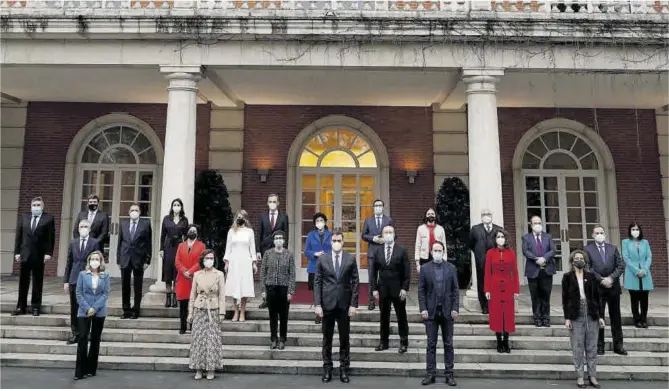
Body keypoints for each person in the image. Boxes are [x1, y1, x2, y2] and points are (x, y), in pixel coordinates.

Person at [314, 229, 359, 384]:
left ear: (343, 241)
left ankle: (344, 369)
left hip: (344, 305)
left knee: (344, 338)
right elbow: (318, 282)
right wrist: (317, 304)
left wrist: (354, 304)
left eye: (339, 240)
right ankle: (327, 368)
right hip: (327, 304)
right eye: (334, 241)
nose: (336, 243)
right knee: (327, 338)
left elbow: (356, 282)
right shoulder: (323, 260)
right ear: (330, 242)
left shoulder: (350, 259)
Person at [562, 250, 605, 389]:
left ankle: (592, 376)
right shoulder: (567, 277)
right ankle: (580, 376)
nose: (579, 260)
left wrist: (600, 316)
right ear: (572, 261)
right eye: (577, 258)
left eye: (581, 258)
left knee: (592, 346)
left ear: (585, 261)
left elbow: (598, 297)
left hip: (591, 311)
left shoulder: (591, 276)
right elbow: (565, 299)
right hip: (576, 312)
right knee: (578, 346)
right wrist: (567, 318)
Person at [418, 241, 459, 386]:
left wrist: (455, 308)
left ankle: (449, 374)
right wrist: (423, 308)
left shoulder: (451, 268)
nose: (437, 252)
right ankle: (430, 374)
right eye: (435, 250)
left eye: (439, 250)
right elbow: (421, 291)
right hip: (431, 312)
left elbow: (455, 290)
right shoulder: (425, 268)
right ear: (431, 252)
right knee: (431, 344)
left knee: (448, 344)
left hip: (447, 312)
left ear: (443, 252)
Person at [583, 225, 627, 356]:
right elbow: (588, 267)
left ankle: (618, 345)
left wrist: (611, 278)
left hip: (613, 288)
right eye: (597, 233)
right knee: (598, 317)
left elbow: (620, 265)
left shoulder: (612, 248)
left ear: (605, 234)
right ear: (592, 235)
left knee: (616, 318)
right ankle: (599, 346)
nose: (599, 234)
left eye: (601, 232)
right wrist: (601, 280)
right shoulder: (587, 249)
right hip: (597, 288)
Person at [13, 196, 56, 316]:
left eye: (38, 205)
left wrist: (49, 253)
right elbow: (19, 236)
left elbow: (50, 238)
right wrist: (17, 252)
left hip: (39, 254)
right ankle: (20, 307)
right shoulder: (24, 217)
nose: (36, 207)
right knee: (23, 282)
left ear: (42, 207)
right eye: (34, 205)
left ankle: (35, 307)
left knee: (37, 281)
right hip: (25, 254)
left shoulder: (48, 219)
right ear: (31, 206)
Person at [370, 225, 410, 354]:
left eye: (390, 232)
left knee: (401, 316)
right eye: (386, 232)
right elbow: (373, 272)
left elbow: (407, 272)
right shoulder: (378, 251)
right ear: (382, 235)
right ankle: (384, 342)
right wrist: (374, 289)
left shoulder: (402, 250)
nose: (388, 234)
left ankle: (404, 342)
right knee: (384, 316)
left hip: (398, 289)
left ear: (394, 234)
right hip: (383, 289)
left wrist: (405, 288)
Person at [188, 250, 225, 380]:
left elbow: (222, 295)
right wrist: (190, 312)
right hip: (199, 307)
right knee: (198, 339)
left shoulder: (219, 274)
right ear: (202, 260)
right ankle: (198, 368)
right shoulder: (197, 274)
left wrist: (222, 312)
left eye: (211, 258)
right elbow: (192, 295)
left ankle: (211, 368)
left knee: (212, 339)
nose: (209, 260)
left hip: (213, 309)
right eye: (207, 258)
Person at [74, 251, 110, 380]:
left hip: (99, 312)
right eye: (92, 259)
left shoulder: (105, 276)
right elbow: (78, 293)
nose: (94, 261)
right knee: (82, 338)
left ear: (100, 262)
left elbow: (105, 294)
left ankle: (91, 369)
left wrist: (95, 308)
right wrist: (88, 308)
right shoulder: (82, 275)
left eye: (97, 259)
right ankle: (80, 371)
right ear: (89, 261)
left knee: (95, 339)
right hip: (84, 310)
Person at [63, 219, 100, 344]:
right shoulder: (73, 243)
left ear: (89, 229)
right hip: (74, 279)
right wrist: (66, 281)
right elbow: (69, 262)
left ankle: (87, 333)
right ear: (78, 229)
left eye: (85, 226)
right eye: (81, 226)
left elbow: (97, 262)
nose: (83, 228)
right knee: (74, 308)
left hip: (88, 279)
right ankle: (76, 333)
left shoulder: (95, 243)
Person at [484, 230, 519, 353]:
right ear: (495, 239)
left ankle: (506, 342)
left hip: (508, 287)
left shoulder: (511, 253)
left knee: (508, 315)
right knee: (497, 314)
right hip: (494, 286)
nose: (500, 239)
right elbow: (487, 272)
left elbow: (515, 272)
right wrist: (487, 289)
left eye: (502, 236)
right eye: (498, 237)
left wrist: (516, 290)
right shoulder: (490, 253)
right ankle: (499, 341)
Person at [260, 230, 296, 350]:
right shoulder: (268, 254)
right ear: (273, 240)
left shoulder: (289, 254)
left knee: (284, 316)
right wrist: (263, 289)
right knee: (273, 316)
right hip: (271, 288)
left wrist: (290, 291)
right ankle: (274, 339)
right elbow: (262, 272)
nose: (278, 240)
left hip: (284, 288)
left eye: (281, 238)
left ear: (284, 241)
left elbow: (292, 274)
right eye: (276, 238)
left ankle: (282, 339)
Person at [117, 203, 152, 319]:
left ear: (140, 212)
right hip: (125, 258)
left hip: (139, 259)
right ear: (128, 212)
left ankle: (136, 310)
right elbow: (120, 242)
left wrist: (148, 260)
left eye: (136, 210)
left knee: (138, 286)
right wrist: (118, 259)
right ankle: (126, 310)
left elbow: (148, 243)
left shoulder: (145, 224)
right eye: (132, 210)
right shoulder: (124, 224)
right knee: (125, 286)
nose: (134, 212)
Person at [256, 194, 289, 309]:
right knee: (265, 274)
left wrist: (285, 250)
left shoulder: (284, 217)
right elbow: (259, 233)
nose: (272, 203)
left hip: (279, 248)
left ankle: (278, 299)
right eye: (270, 201)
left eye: (274, 201)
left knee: (278, 273)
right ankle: (266, 299)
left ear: (278, 203)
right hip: (265, 248)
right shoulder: (263, 217)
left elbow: (286, 234)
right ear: (267, 203)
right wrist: (257, 251)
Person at [521, 215, 556, 327]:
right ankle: (537, 318)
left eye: (539, 223)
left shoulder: (548, 237)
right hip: (533, 270)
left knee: (546, 295)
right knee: (535, 296)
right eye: (535, 223)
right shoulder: (526, 238)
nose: (538, 225)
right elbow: (525, 251)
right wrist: (536, 259)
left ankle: (546, 319)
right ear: (531, 225)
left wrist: (544, 258)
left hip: (546, 270)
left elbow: (553, 250)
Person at [224, 210, 257, 322]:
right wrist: (227, 263)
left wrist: (254, 263)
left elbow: (252, 248)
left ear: (246, 219)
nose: (240, 219)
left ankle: (242, 312)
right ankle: (235, 312)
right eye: (238, 217)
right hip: (234, 261)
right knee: (234, 286)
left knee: (244, 286)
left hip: (245, 261)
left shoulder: (250, 232)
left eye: (242, 217)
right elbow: (228, 248)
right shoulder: (231, 231)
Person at [362, 199, 394, 310]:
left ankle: (385, 301)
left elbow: (394, 235)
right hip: (372, 253)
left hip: (385, 252)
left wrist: (386, 239)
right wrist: (373, 238)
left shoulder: (388, 220)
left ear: (383, 207)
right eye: (376, 205)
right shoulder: (368, 220)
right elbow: (364, 236)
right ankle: (371, 301)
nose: (378, 207)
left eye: (380, 205)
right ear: (373, 208)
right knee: (372, 277)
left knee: (385, 277)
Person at [468, 208, 502, 314]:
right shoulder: (475, 229)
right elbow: (471, 244)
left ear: (491, 216)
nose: (486, 216)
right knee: (482, 283)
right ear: (481, 216)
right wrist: (479, 255)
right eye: (484, 214)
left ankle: (494, 304)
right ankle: (484, 306)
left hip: (495, 262)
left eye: (488, 214)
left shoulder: (498, 229)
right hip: (481, 262)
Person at [622, 222, 653, 328]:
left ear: (640, 230)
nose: (635, 231)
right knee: (634, 298)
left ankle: (644, 319)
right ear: (630, 231)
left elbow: (649, 257)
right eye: (633, 229)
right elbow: (626, 258)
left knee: (645, 298)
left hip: (645, 273)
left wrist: (644, 270)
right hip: (632, 273)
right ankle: (637, 320)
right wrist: (636, 270)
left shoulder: (645, 242)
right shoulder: (625, 242)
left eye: (637, 229)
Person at [175, 224, 205, 334]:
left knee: (194, 304)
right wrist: (184, 271)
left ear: (197, 233)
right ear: (187, 232)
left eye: (194, 230)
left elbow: (201, 261)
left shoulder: (201, 246)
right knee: (183, 305)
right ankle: (182, 327)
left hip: (194, 278)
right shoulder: (181, 245)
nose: (192, 232)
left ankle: (193, 327)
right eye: (190, 230)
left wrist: (190, 271)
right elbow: (177, 261)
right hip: (183, 278)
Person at [160, 198, 189, 308]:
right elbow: (163, 235)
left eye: (178, 205)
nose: (176, 206)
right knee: (168, 272)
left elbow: (186, 236)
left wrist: (186, 249)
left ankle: (175, 297)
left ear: (181, 207)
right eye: (174, 205)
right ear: (172, 207)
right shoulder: (166, 219)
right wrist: (161, 249)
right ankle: (168, 297)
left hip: (179, 246)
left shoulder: (184, 220)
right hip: (168, 246)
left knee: (177, 272)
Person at [304, 212, 332, 324]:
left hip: (327, 266)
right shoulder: (311, 235)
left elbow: (335, 248)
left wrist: (326, 254)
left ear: (325, 222)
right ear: (315, 223)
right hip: (314, 266)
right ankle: (317, 314)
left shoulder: (331, 234)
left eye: (321, 221)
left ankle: (326, 312)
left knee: (326, 290)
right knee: (316, 291)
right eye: (317, 221)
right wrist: (314, 254)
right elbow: (306, 251)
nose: (319, 223)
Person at [414, 207, 446, 274]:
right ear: (425, 216)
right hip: (424, 258)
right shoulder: (420, 229)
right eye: (428, 214)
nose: (430, 215)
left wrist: (444, 259)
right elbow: (418, 245)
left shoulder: (441, 229)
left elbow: (444, 245)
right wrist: (417, 264)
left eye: (432, 214)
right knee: (425, 278)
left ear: (435, 216)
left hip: (437, 256)